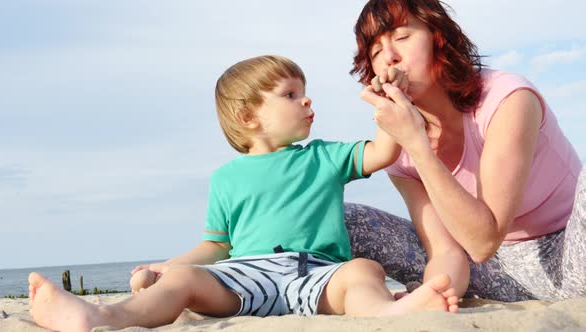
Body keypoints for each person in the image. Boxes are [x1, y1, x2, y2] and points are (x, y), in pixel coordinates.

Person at [28, 55, 459, 332]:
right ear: (248, 115)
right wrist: (169, 266)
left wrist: (391, 98)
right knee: (182, 282)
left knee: (363, 270)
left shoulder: (323, 156)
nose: (307, 102)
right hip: (246, 275)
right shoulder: (227, 178)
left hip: (319, 273)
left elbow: (385, 151)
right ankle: (102, 316)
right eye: (290, 94)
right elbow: (216, 246)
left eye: (305, 93)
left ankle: (388, 316)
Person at [344, 0, 585, 302]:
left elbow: (485, 239)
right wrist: (434, 295)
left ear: (438, 38)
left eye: (402, 37)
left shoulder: (507, 99)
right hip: (497, 277)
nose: (389, 57)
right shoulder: (398, 152)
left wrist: (417, 143)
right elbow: (447, 251)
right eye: (376, 52)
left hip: (573, 255)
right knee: (348, 218)